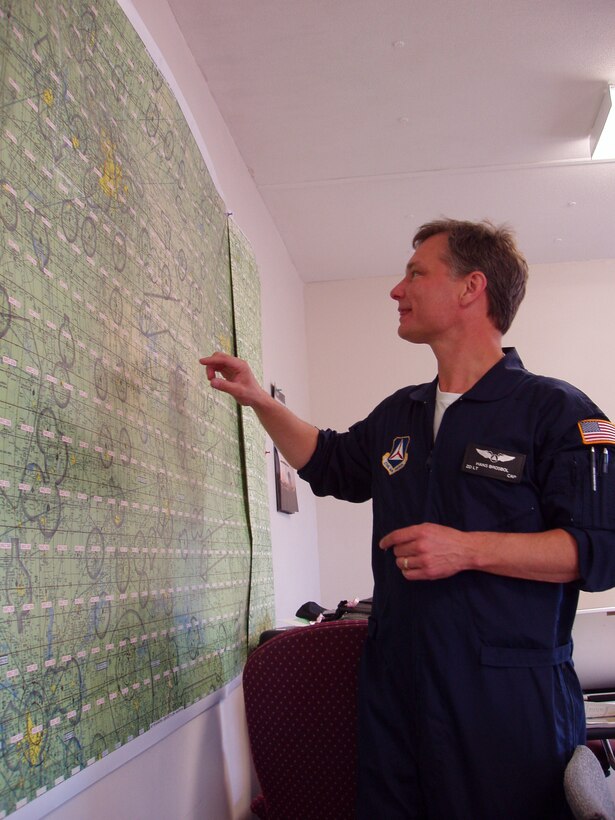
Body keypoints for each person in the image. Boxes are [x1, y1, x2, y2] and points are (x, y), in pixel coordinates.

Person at [200, 218, 615, 819]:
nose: (398, 289)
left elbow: (600, 551)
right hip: (395, 693)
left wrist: (469, 549)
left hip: (507, 702)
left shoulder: (559, 411)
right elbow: (332, 463)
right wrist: (262, 402)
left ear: (472, 287)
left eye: (416, 272)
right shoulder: (402, 412)